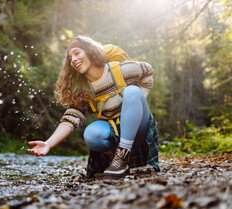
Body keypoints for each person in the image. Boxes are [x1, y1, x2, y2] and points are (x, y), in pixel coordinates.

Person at [28, 35, 160, 179]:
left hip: (140, 127)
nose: (73, 60)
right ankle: (115, 158)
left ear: (90, 51)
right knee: (91, 134)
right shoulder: (84, 90)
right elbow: (70, 118)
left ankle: (122, 157)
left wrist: (138, 100)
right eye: (70, 58)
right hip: (115, 130)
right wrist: (48, 143)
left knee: (132, 91)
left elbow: (148, 70)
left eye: (77, 53)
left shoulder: (120, 70)